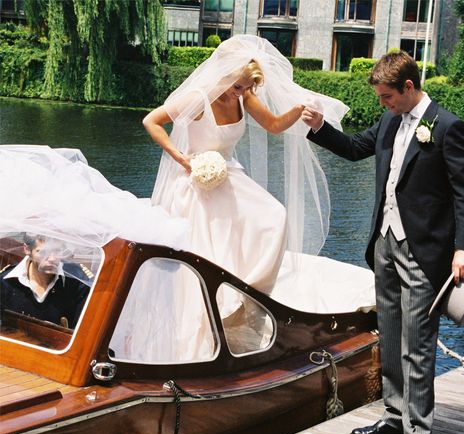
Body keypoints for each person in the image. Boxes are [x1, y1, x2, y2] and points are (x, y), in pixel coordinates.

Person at [119, 34, 348, 362]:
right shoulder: (197, 98)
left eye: (245, 88)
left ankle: (244, 294)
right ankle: (203, 327)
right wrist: (181, 158)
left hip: (230, 176)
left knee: (274, 216)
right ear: (223, 74)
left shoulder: (243, 96)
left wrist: (297, 110)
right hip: (196, 182)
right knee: (208, 253)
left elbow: (273, 126)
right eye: (237, 86)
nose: (241, 93)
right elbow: (151, 121)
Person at [302, 51, 464, 434]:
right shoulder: (388, 122)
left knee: (418, 346)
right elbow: (352, 147)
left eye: (386, 97)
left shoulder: (448, 127)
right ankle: (394, 417)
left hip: (425, 251)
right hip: (384, 245)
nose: (383, 103)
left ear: (408, 88)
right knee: (391, 337)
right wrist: (320, 127)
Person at [0, 234, 91, 328]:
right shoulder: (5, 283)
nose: (52, 259)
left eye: (57, 251)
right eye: (43, 252)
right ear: (26, 249)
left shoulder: (77, 283)